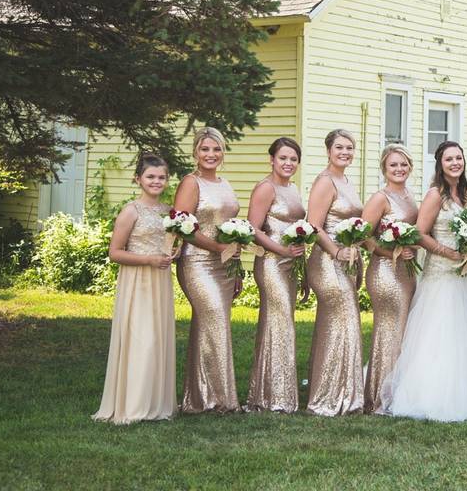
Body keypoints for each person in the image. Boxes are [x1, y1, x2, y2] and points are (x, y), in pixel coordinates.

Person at [386, 141, 467, 422]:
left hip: (463, 275)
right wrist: (449, 252)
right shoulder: (435, 195)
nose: (455, 163)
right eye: (448, 159)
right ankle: (428, 394)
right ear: (440, 164)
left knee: (464, 333)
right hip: (440, 271)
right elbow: (420, 233)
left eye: (459, 158)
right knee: (437, 331)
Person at [93, 153, 177, 424]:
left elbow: (169, 243)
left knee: (158, 338)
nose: (156, 181)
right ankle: (134, 405)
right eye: (150, 176)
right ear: (138, 179)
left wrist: (172, 253)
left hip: (160, 281)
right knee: (142, 339)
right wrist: (149, 260)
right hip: (137, 281)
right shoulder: (131, 210)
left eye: (161, 177)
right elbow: (115, 253)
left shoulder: (168, 212)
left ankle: (156, 403)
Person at [174, 127, 242, 413]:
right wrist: (217, 249)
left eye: (216, 149)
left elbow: (230, 229)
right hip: (197, 262)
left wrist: (235, 267)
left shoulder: (225, 183)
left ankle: (200, 397)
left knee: (210, 326)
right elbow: (182, 227)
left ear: (223, 152)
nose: (210, 155)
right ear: (196, 152)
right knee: (214, 321)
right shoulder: (191, 183)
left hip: (224, 265)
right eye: (205, 149)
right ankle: (221, 400)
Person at [305, 129, 365, 416]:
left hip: (348, 261)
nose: (345, 152)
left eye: (349, 148)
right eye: (339, 147)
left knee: (335, 325)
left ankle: (335, 389)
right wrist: (337, 252)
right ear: (328, 150)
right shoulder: (325, 182)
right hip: (327, 261)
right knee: (346, 320)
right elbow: (313, 226)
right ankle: (328, 397)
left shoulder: (346, 181)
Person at [245, 137, 307, 413]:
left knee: (279, 324)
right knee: (280, 324)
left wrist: (301, 267)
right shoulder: (265, 188)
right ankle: (276, 397)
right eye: (283, 158)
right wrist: (281, 250)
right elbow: (253, 229)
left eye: (293, 159)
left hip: (290, 265)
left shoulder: (292, 189)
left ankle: (270, 393)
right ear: (271, 160)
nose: (288, 163)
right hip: (271, 264)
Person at [360, 144, 419, 414]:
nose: (399, 169)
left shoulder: (408, 195)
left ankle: (398, 391)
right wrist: (391, 251)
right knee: (389, 331)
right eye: (393, 165)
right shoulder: (380, 198)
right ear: (384, 168)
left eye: (403, 164)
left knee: (402, 332)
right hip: (385, 271)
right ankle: (378, 397)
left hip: (406, 272)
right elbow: (363, 237)